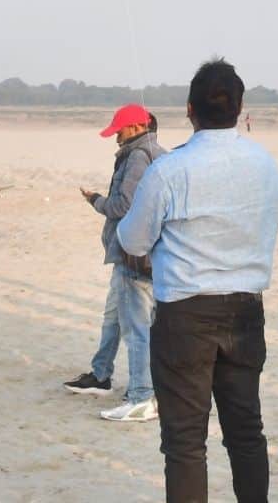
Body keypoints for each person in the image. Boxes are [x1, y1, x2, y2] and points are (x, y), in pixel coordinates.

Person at [118, 59, 278, 503]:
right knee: (246, 432)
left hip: (185, 317)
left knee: (186, 444)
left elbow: (133, 240)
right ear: (239, 106)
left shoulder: (169, 170)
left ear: (189, 109)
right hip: (246, 310)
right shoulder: (265, 165)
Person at [63, 103, 166, 422]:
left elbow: (123, 205)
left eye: (119, 131)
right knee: (113, 317)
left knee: (137, 328)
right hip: (142, 255)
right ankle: (100, 375)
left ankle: (141, 396)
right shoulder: (159, 153)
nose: (116, 137)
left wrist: (95, 201)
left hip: (133, 256)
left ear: (136, 128)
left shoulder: (138, 156)